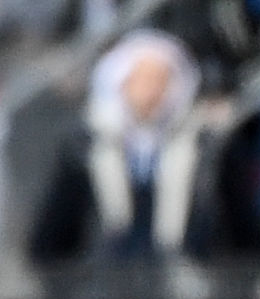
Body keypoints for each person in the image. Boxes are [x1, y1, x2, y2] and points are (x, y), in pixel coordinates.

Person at [28, 29, 219, 266]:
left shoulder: (203, 145)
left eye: (159, 80)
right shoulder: (84, 145)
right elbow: (52, 238)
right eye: (140, 80)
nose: (150, 92)